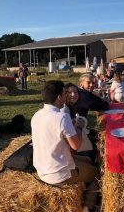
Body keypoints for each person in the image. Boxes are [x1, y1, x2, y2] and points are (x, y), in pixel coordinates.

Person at [31, 80, 98, 211]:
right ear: (59, 97)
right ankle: (87, 208)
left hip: (42, 168)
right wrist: (78, 127)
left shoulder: (36, 115)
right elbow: (76, 146)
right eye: (64, 93)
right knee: (97, 174)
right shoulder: (61, 117)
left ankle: (83, 194)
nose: (67, 96)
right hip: (58, 174)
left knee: (88, 160)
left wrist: (70, 127)